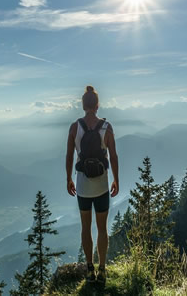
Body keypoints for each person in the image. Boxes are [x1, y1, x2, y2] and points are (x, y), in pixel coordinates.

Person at [66, 85, 119, 283]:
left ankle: (89, 270)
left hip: (83, 186)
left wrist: (68, 179)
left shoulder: (74, 127)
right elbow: (113, 156)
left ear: (82, 105)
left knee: (85, 228)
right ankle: (103, 269)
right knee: (102, 228)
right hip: (102, 185)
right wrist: (116, 179)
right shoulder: (107, 127)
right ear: (97, 105)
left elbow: (69, 156)